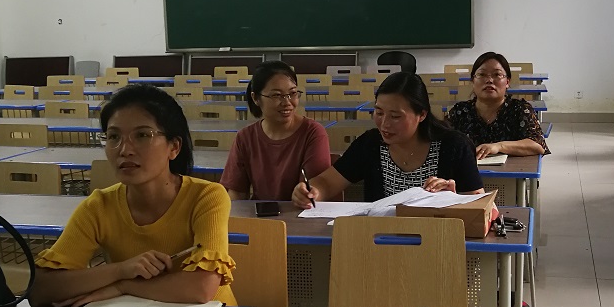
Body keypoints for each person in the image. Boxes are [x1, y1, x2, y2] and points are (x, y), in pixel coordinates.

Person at [30, 84, 236, 307]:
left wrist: (123, 286)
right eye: (113, 136)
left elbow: (201, 287)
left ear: (174, 147)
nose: (124, 149)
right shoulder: (99, 206)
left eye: (142, 135)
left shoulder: (207, 196)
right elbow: (41, 288)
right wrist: (120, 270)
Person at [292, 72, 481, 207]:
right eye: (379, 112)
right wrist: (311, 192)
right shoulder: (370, 144)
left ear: (422, 115)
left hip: (439, 240)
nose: (384, 124)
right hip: (379, 240)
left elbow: (481, 206)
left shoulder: (454, 146)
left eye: (395, 116)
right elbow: (327, 182)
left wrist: (454, 199)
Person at [220, 61, 331, 201]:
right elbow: (237, 194)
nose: (287, 102)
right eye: (276, 95)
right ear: (256, 98)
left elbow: (313, 190)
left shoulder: (312, 133)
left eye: (292, 93)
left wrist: (305, 195)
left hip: (301, 212)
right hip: (260, 213)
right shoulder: (245, 137)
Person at [446, 52, 549, 159]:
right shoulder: (460, 112)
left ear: (507, 82)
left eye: (497, 75)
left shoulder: (520, 109)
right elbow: (440, 141)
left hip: (511, 169)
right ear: (473, 81)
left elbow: (538, 145)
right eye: (482, 75)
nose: (489, 80)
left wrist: (499, 146)